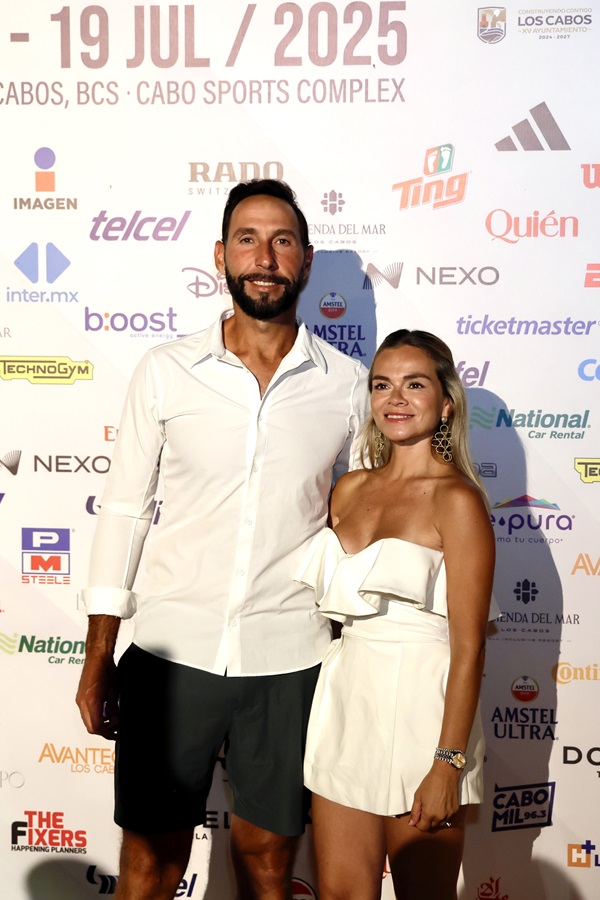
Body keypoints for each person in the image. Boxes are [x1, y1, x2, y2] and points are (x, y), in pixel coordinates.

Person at [75, 179, 368, 900]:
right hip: (172, 654)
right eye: (247, 240)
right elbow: (124, 511)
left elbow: (363, 526)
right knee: (151, 861)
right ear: (220, 256)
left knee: (268, 861)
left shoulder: (348, 384)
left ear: (305, 260)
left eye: (282, 241)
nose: (264, 257)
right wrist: (98, 654)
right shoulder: (165, 370)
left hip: (292, 658)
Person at [296, 329, 498, 900]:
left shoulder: (458, 501)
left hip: (424, 713)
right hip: (347, 702)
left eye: (415, 384)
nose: (396, 399)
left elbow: (470, 648)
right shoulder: (348, 489)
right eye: (382, 385)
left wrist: (447, 764)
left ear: (446, 402)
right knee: (340, 893)